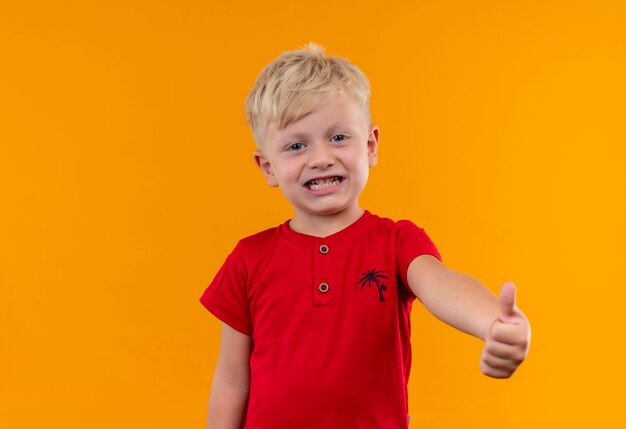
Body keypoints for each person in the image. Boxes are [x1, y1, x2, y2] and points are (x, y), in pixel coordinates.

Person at [199, 43, 530, 429]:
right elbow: (231, 381)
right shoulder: (248, 258)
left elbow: (441, 285)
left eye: (338, 137)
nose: (321, 157)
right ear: (268, 167)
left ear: (370, 145)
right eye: (296, 145)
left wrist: (494, 323)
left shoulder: (396, 241)